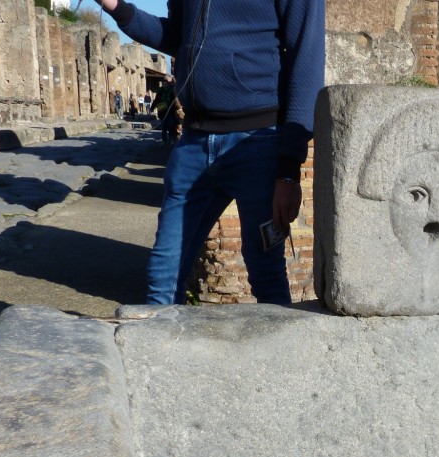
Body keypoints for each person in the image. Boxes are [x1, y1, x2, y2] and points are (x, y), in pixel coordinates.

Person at [94, 0, 325, 305]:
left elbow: (306, 58)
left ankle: (276, 352)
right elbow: (178, 37)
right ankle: (161, 352)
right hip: (193, 144)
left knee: (266, 274)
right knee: (162, 277)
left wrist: (288, 170)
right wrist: (117, 7)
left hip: (259, 143)